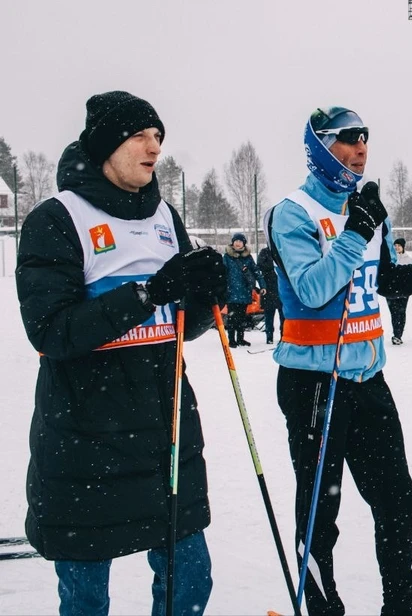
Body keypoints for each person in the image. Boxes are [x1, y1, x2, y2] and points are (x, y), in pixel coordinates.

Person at [15, 90, 226, 616]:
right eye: (140, 136)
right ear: (108, 145)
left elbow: (179, 326)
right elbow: (52, 331)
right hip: (86, 444)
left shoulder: (164, 216)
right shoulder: (57, 218)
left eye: (158, 137)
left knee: (190, 586)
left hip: (164, 439)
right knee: (87, 602)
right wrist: (146, 294)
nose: (154, 148)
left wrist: (206, 294)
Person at [263, 106, 412, 616]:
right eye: (349, 140)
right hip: (314, 382)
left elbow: (386, 282)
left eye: (366, 140)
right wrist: (356, 230)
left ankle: (400, 606)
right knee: (320, 513)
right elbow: (312, 290)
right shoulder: (293, 212)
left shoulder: (369, 212)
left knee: (397, 501)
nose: (361, 149)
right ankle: (323, 608)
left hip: (366, 378)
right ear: (319, 148)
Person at [223, 232, 265, 347]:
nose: (238, 243)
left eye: (240, 241)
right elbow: (222, 273)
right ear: (233, 242)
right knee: (231, 317)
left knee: (242, 317)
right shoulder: (227, 257)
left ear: (244, 243)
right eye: (236, 241)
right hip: (231, 292)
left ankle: (240, 339)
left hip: (245, 292)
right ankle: (231, 340)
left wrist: (263, 286)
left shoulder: (248, 257)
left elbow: (256, 272)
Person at [386, 237, 412, 344]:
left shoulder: (408, 260)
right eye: (395, 245)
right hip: (390, 290)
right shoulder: (389, 258)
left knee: (401, 312)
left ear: (403, 247)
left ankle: (398, 335)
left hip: (403, 290)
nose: (397, 247)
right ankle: (396, 334)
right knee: (394, 312)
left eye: (399, 245)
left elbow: (411, 276)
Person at [258, 245, 284, 344]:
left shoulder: (282, 250)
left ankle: (284, 336)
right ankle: (269, 337)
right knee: (269, 315)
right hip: (268, 288)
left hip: (281, 288)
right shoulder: (264, 252)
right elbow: (260, 265)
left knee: (283, 315)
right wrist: (273, 266)